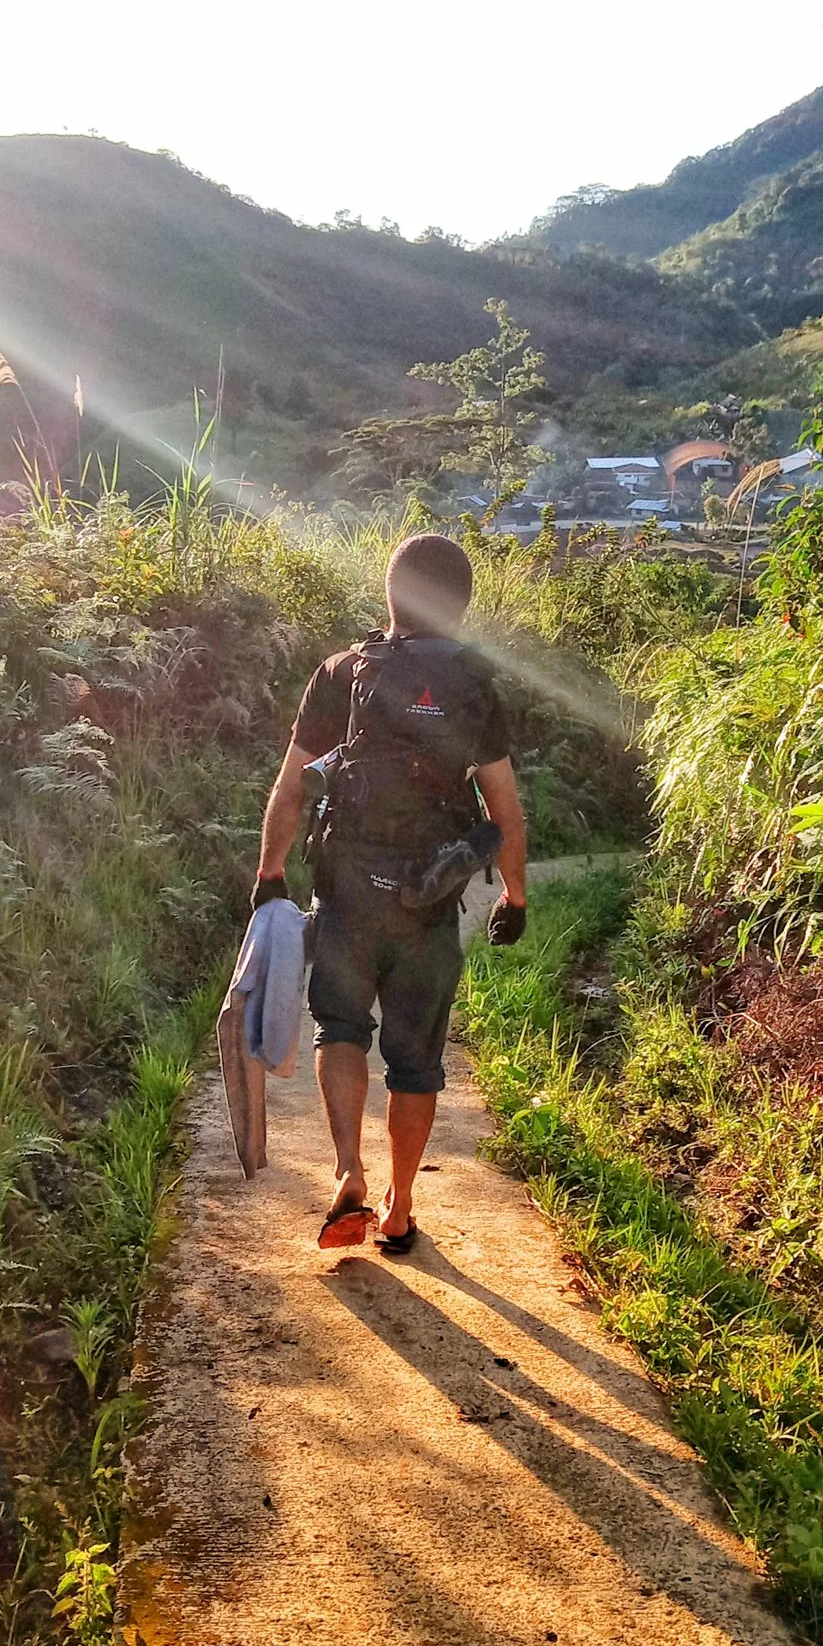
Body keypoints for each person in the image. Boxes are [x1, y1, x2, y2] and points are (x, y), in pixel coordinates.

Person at [251, 533, 528, 1254]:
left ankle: (348, 1170)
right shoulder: (473, 685)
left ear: (390, 594)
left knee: (339, 1027)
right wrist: (515, 897)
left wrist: (269, 872)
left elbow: (291, 788)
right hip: (429, 903)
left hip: (346, 891)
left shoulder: (342, 671)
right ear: (461, 607)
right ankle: (400, 1206)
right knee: (415, 1061)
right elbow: (504, 808)